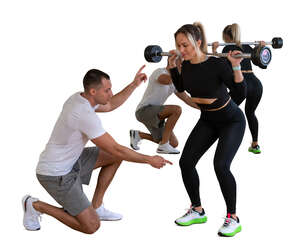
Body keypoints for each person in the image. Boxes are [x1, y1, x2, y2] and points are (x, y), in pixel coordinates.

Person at [22, 66, 172, 234]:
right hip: (55, 174)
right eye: (107, 90)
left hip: (72, 161)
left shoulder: (81, 98)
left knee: (113, 157)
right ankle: (34, 205)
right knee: (91, 226)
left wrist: (133, 84)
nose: (111, 93)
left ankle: (97, 206)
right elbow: (116, 148)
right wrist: (149, 159)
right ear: (93, 91)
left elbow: (111, 105)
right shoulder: (83, 113)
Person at [168, 22, 246, 237]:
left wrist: (236, 67)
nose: (181, 50)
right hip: (208, 119)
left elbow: (239, 95)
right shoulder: (187, 65)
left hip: (231, 120)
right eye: (178, 46)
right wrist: (173, 68)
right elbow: (182, 87)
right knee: (186, 162)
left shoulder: (217, 64)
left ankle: (233, 218)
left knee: (220, 166)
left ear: (198, 42)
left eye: (185, 45)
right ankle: (197, 210)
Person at [212, 23, 265, 154]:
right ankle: (255, 145)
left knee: (224, 113)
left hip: (242, 85)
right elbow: (263, 64)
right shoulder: (246, 46)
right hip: (256, 84)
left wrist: (214, 51)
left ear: (225, 36)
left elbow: (220, 67)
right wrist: (261, 48)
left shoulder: (227, 49)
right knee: (250, 113)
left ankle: (221, 143)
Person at [130, 60, 199, 154]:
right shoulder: (160, 72)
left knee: (173, 143)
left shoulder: (176, 82)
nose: (184, 65)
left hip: (156, 114)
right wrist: (183, 73)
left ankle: (138, 135)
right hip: (144, 111)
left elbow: (187, 98)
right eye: (182, 63)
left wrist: (205, 108)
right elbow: (166, 80)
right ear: (173, 62)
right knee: (176, 110)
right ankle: (163, 146)